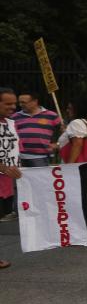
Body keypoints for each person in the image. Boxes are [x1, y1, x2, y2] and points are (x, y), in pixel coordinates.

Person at [12, 91, 62, 167]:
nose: (21, 105)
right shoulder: (15, 116)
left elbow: (65, 132)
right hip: (18, 156)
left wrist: (57, 144)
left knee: (40, 178)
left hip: (41, 156)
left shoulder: (52, 115)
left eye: (24, 102)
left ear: (35, 101)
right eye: (20, 102)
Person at [0, 87, 23, 236]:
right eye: (8, 104)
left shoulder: (11, 123)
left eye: (14, 103)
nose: (13, 107)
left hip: (6, 183)